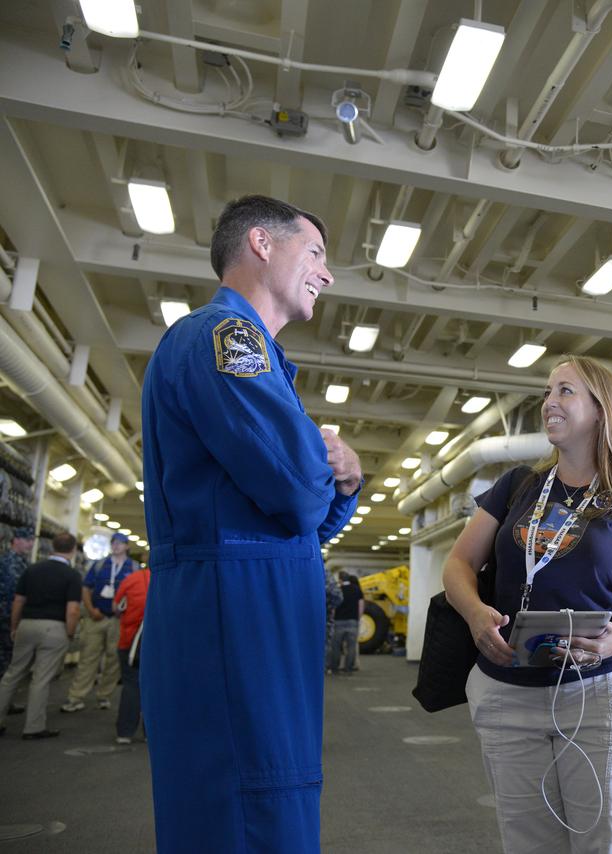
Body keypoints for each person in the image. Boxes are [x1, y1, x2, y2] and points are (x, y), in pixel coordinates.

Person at [140, 195, 364, 854]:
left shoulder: (256, 360)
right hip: (238, 621)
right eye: (316, 253)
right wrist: (323, 465)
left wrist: (345, 480)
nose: (327, 274)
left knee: (265, 803)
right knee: (256, 814)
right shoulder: (223, 339)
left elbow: (304, 526)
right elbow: (296, 493)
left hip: (252, 609)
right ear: (262, 244)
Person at [443, 355, 612, 853]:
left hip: (605, 692)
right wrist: (473, 613)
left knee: (606, 842)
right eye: (547, 391)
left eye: (565, 391)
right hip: (510, 690)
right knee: (527, 844)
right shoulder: (518, 486)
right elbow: (459, 565)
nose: (548, 402)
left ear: (601, 409)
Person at [0, 532, 82, 739]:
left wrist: (14, 626)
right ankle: (33, 727)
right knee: (41, 679)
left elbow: (18, 601)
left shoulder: (32, 570)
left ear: (52, 546)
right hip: (54, 629)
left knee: (12, 674)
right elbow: (72, 609)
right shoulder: (71, 575)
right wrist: (70, 633)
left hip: (27, 625)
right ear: (73, 550)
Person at [61, 531, 137, 713]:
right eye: (113, 542)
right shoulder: (99, 565)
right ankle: (76, 697)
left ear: (127, 546)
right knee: (88, 657)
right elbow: (86, 589)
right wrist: (90, 609)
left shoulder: (133, 568)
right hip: (96, 617)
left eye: (120, 543)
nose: (116, 545)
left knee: (114, 660)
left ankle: (104, 695)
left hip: (119, 621)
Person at [112, 563, 150, 744]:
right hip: (158, 644)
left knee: (131, 685)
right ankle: (151, 733)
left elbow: (116, 607)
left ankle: (124, 733)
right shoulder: (170, 580)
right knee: (156, 688)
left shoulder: (131, 579)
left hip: (130, 642)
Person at [0, 526, 35, 681]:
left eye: (32, 540)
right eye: (28, 540)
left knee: (11, 660)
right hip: (5, 619)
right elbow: (14, 593)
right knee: (4, 660)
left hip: (15, 618)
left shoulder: (23, 562)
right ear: (16, 540)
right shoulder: (8, 562)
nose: (31, 544)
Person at [327, 571, 363, 675]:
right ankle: (348, 668)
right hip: (352, 621)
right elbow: (361, 605)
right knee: (351, 647)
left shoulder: (338, 590)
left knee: (336, 646)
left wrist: (332, 618)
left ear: (340, 579)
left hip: (338, 621)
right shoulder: (357, 590)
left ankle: (335, 668)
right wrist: (357, 618)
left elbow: (333, 607)